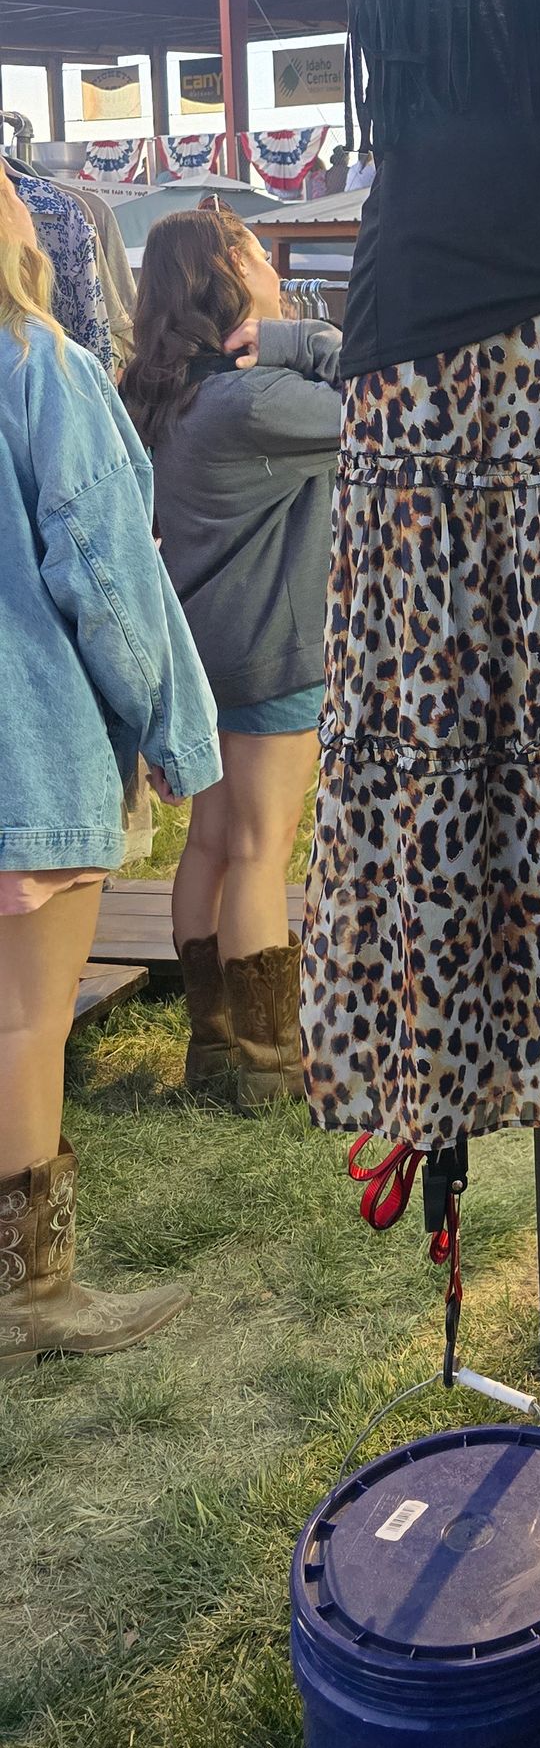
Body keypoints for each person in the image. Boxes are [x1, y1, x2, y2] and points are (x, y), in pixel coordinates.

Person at [0, 163, 220, 1373]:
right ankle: (36, 1293)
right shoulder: (40, 368)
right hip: (25, 759)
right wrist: (179, 736)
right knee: (27, 1021)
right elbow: (110, 579)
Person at [121, 205, 341, 1107]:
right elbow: (388, 400)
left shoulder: (165, 392)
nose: (267, 261)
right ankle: (264, 1063)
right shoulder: (255, 399)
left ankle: (211, 1044)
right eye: (251, 250)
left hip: (201, 647)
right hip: (272, 652)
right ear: (220, 278)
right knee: (261, 849)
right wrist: (295, 339)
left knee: (210, 844)